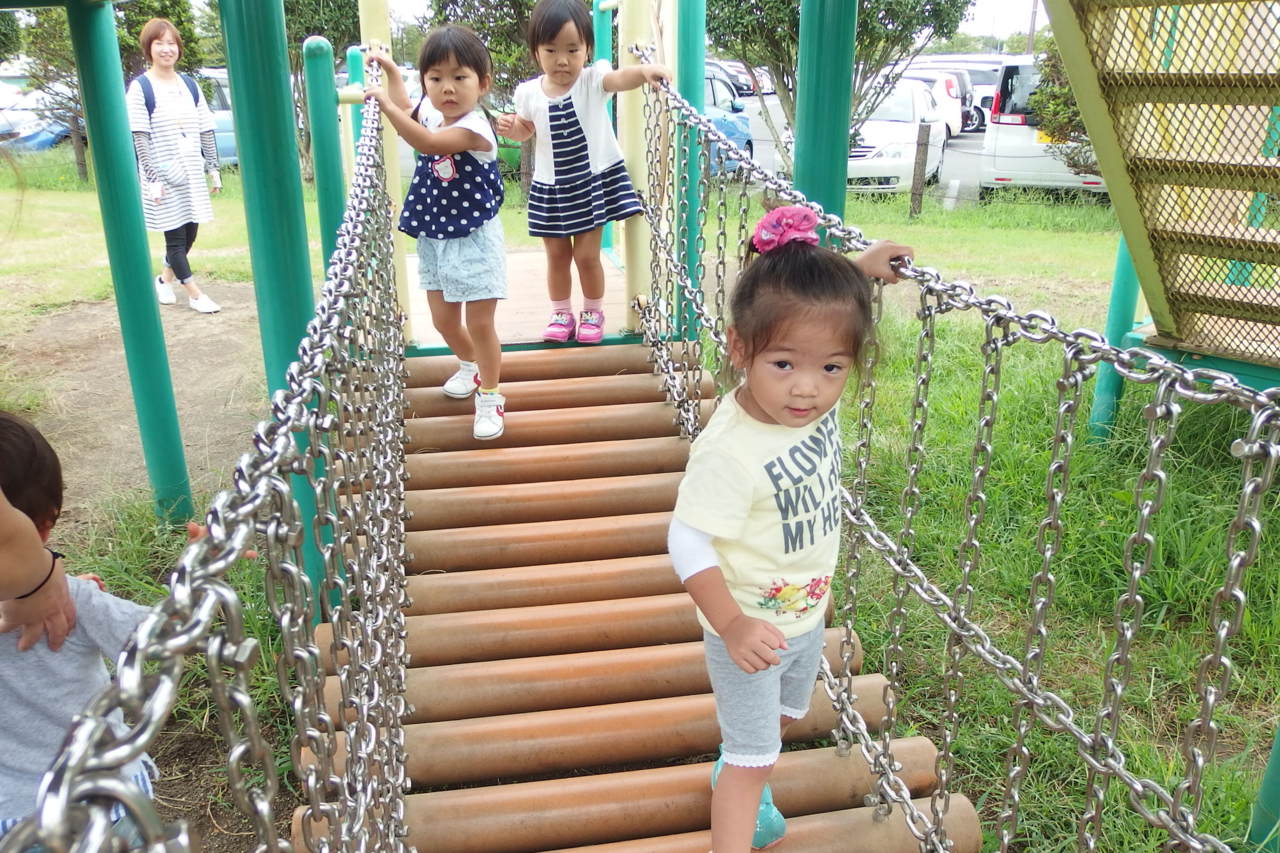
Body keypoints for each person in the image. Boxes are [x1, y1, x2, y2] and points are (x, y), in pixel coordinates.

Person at [666, 207, 912, 851]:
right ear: (739, 349)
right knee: (751, 763)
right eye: (783, 365)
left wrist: (858, 274)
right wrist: (732, 625)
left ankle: (742, 763)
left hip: (802, 619)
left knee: (776, 724)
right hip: (746, 626)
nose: (808, 389)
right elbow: (685, 540)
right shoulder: (731, 451)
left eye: (832, 368)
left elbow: (810, 323)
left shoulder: (805, 400)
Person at [0, 411, 154, 848]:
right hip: (104, 802)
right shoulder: (71, 601)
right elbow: (160, 634)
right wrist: (197, 576)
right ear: (47, 522)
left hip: (16, 826)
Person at [496, 0, 669, 345]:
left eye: (573, 50)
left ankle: (592, 311)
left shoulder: (591, 80)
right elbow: (527, 129)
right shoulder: (528, 93)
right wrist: (512, 128)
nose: (562, 60)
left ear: (587, 50)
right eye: (551, 50)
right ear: (536, 51)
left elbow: (618, 79)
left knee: (587, 255)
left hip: (591, 183)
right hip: (551, 187)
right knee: (556, 256)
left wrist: (643, 72)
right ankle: (561, 313)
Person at [366, 26, 509, 440]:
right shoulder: (431, 111)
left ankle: (491, 395)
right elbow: (408, 108)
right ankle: (470, 365)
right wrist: (393, 74)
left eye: (459, 77)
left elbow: (428, 143)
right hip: (436, 235)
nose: (447, 88)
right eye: (436, 78)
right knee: (444, 319)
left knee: (479, 322)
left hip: (476, 239)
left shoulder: (475, 128)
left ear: (482, 83)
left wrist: (382, 105)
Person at [126, 17, 222, 314]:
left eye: (171, 43)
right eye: (159, 43)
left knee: (190, 233)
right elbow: (140, 137)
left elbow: (206, 129)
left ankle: (163, 280)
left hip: (191, 174)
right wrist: (152, 178)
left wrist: (214, 169)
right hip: (162, 177)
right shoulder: (141, 88)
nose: (166, 49)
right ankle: (195, 294)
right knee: (176, 239)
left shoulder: (189, 85)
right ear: (149, 48)